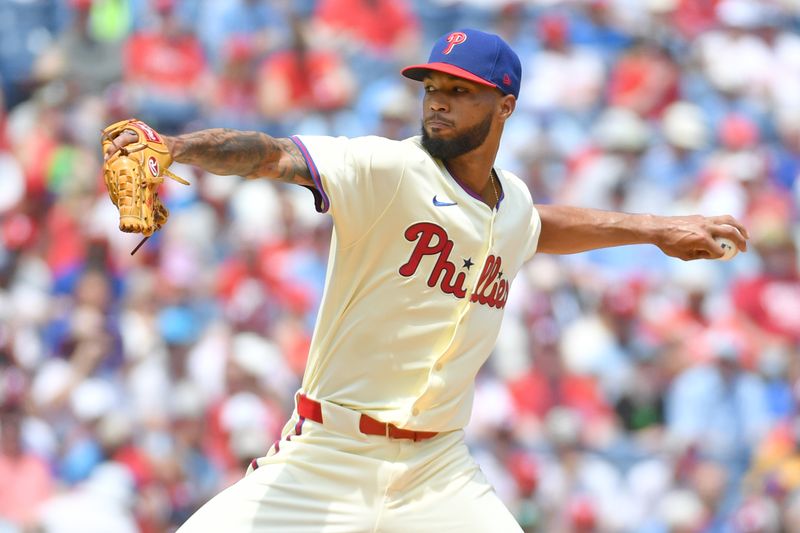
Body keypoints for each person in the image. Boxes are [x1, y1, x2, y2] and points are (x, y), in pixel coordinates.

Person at [105, 28, 749, 532]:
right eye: (431, 85)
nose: (438, 99)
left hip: (438, 471)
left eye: (460, 89)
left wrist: (656, 229)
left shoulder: (513, 204)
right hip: (328, 455)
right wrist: (176, 147)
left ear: (506, 105)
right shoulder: (386, 169)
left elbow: (539, 225)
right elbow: (275, 154)